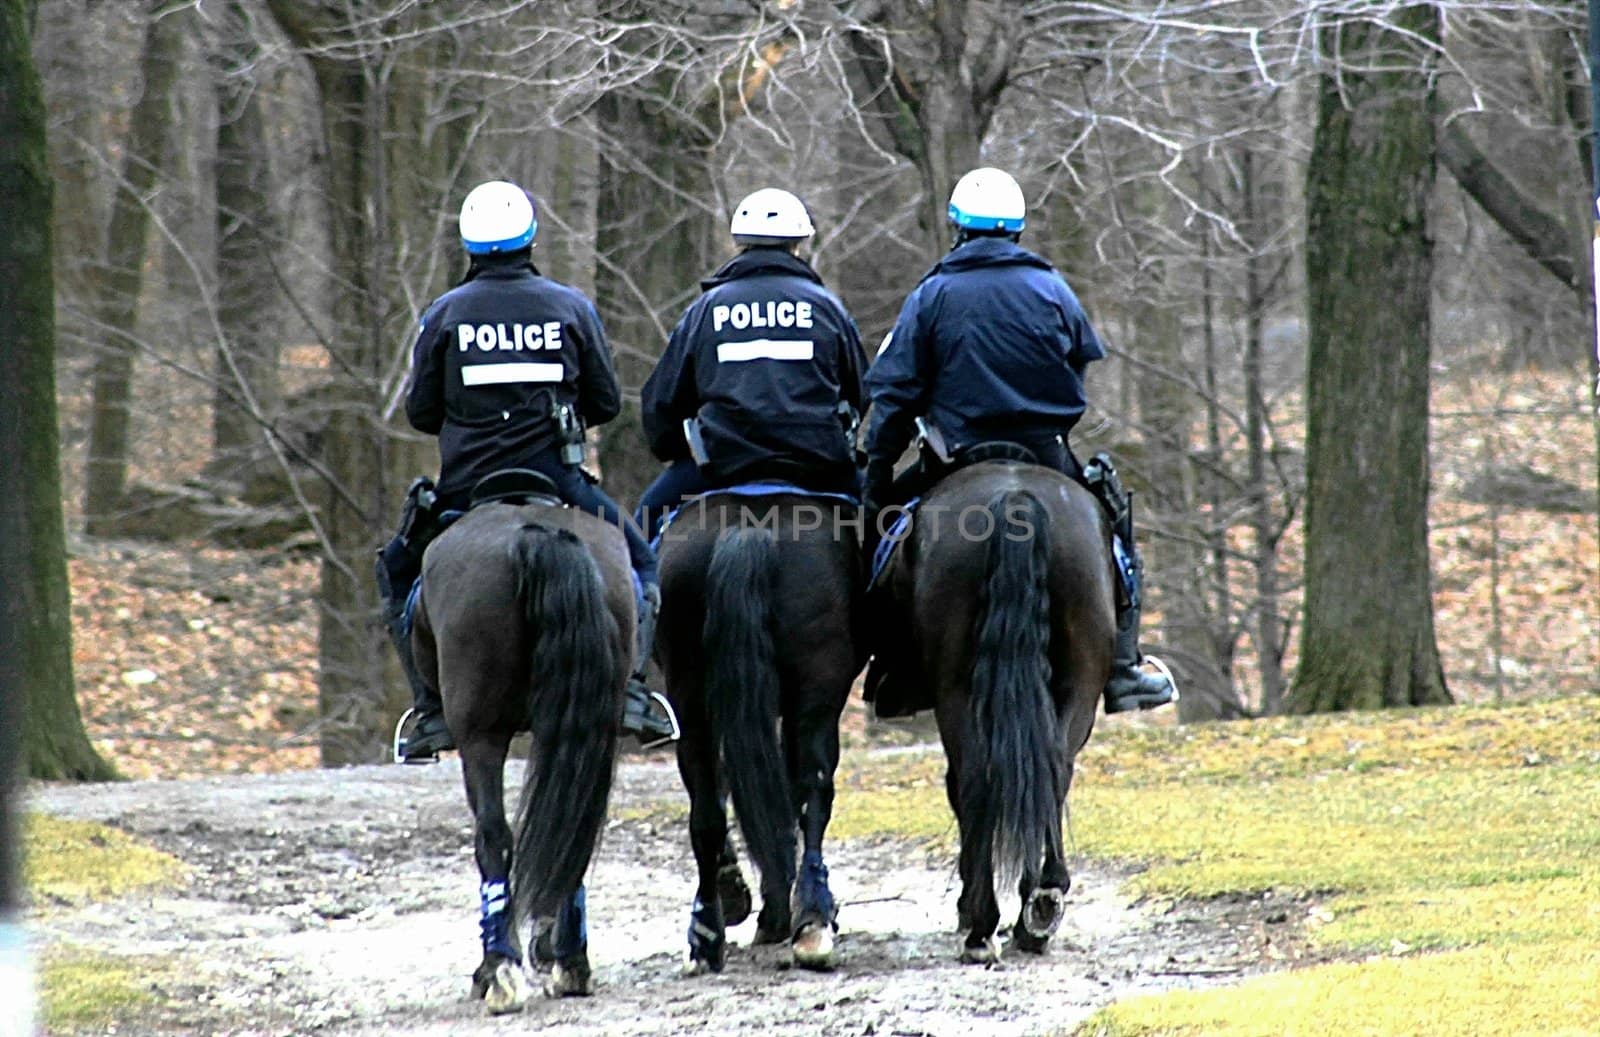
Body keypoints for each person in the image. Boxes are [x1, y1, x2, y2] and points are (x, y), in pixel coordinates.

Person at [377, 179, 676, 762]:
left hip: (468, 486)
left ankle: (429, 713)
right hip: (558, 480)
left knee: (398, 573)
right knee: (640, 563)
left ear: (468, 242)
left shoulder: (444, 314)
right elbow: (608, 403)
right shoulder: (570, 306)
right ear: (531, 236)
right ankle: (635, 692)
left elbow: (420, 413)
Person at [862, 167, 1175, 714]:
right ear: (1017, 229)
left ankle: (895, 665)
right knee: (1114, 525)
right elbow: (1077, 363)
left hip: (953, 456)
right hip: (1046, 451)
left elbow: (894, 393)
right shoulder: (1053, 288)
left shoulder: (932, 294)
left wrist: (878, 472)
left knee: (881, 539)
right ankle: (1125, 666)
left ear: (958, 227)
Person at [634, 187, 866, 539]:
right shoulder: (827, 308)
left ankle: (644, 592)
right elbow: (861, 390)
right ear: (798, 244)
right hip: (817, 462)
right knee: (887, 529)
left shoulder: (706, 310)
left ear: (740, 244)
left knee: (644, 522)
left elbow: (662, 398)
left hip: (721, 463)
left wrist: (674, 450)